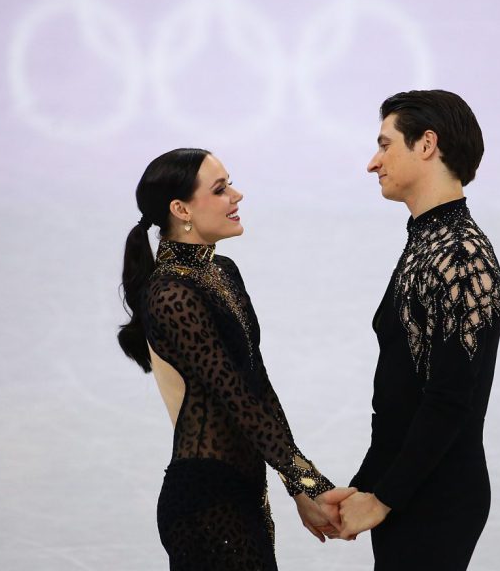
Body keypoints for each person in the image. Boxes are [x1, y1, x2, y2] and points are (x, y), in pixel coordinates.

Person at [117, 148, 354, 570]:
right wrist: (308, 482)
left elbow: (257, 384)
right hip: (205, 501)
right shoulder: (170, 295)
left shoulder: (222, 272)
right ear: (181, 209)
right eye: (222, 189)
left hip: (243, 491)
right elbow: (235, 396)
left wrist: (296, 485)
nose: (237, 196)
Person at [320, 90, 500, 569]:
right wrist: (364, 488)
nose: (372, 163)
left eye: (385, 145)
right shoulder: (429, 242)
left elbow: (448, 400)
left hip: (438, 496)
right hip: (415, 490)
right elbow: (402, 396)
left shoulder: (460, 256)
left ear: (426, 144)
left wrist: (383, 498)